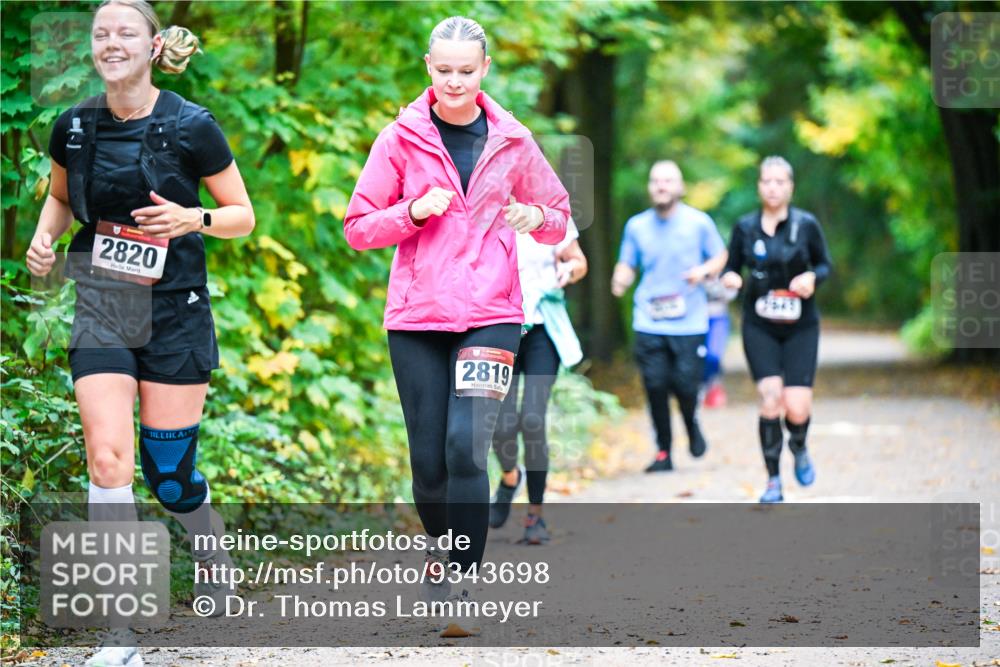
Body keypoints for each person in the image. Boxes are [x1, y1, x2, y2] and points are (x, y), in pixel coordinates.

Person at [25, 1, 254, 664]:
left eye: (126, 32)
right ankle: (118, 629)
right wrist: (45, 239)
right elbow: (60, 197)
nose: (111, 43)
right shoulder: (73, 126)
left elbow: (242, 215)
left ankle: (208, 545)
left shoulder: (191, 125)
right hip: (103, 304)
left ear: (153, 48)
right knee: (108, 459)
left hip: (176, 309)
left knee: (169, 477)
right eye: (101, 34)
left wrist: (192, 219)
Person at [344, 15, 570, 633]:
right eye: (443, 70)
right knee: (428, 462)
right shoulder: (400, 138)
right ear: (428, 67)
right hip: (417, 318)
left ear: (484, 69)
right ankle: (440, 551)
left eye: (466, 71)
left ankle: (464, 580)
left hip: (492, 314)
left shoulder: (513, 140)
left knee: (465, 445)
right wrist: (413, 211)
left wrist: (532, 217)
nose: (454, 81)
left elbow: (558, 215)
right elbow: (358, 227)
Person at [721, 156, 832, 503]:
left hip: (801, 326)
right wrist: (731, 277)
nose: (772, 188)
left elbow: (825, 264)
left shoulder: (806, 224)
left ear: (790, 187)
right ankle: (773, 481)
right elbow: (730, 267)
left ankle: (798, 445)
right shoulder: (745, 227)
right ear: (759, 186)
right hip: (759, 326)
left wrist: (812, 277)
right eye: (767, 181)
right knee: (770, 397)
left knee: (796, 406)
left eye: (779, 182)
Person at [611, 161, 728, 473]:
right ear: (650, 188)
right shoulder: (636, 226)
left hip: (689, 321)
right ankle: (663, 451)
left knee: (686, 386)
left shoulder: (699, 223)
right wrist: (620, 278)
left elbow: (720, 256)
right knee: (655, 385)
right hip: (648, 320)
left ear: (680, 187)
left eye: (667, 180)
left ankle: (691, 424)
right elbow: (627, 263)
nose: (661, 186)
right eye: (655, 181)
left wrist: (702, 271)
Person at [489, 218, 588, 544]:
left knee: (532, 419)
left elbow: (578, 260)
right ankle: (509, 477)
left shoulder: (551, 211)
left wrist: (569, 269)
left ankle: (535, 515)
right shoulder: (485, 207)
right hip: (498, 327)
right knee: (500, 423)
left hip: (542, 332)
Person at [702, 277, 737, 408]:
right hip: (695, 319)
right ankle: (701, 389)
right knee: (697, 355)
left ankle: (713, 388)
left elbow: (732, 292)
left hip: (718, 317)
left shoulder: (724, 269)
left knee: (714, 355)